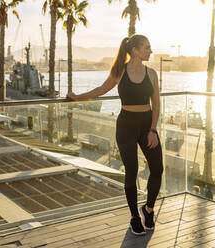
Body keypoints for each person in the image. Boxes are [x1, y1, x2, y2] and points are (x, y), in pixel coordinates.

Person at [67, 34, 163, 236]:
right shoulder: (120, 71)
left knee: (157, 169)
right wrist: (77, 97)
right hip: (126, 125)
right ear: (135, 50)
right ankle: (134, 218)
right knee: (132, 170)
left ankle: (148, 209)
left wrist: (153, 129)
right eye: (147, 47)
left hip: (147, 125)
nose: (150, 51)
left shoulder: (152, 73)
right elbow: (101, 89)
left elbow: (156, 105)